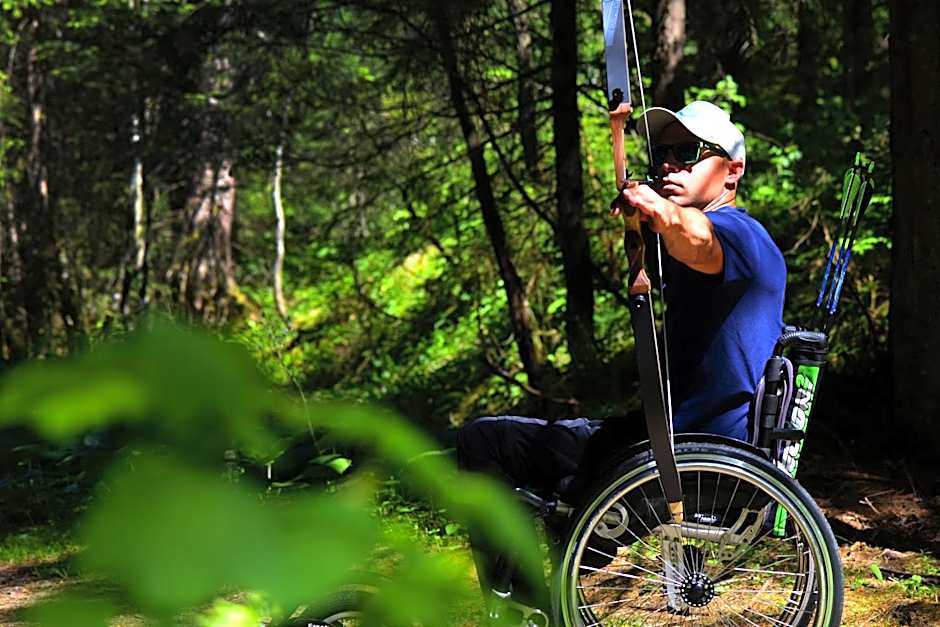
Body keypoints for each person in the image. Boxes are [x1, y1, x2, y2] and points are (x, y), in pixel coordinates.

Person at [456, 100, 787, 615]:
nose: (670, 164)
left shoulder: (741, 235)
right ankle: (538, 604)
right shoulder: (712, 244)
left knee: (487, 444)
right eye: (663, 154)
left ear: (733, 170)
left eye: (689, 152)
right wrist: (645, 217)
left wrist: (660, 212)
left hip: (685, 458)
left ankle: (520, 614)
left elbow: (696, 238)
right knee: (496, 448)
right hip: (664, 445)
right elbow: (683, 242)